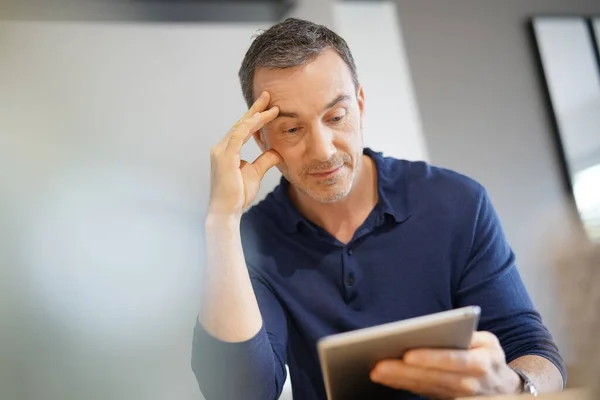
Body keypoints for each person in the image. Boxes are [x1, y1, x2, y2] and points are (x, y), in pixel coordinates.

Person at [191, 18, 565, 400]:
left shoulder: (457, 203)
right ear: (260, 137)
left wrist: (515, 386)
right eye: (291, 130)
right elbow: (240, 393)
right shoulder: (251, 242)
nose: (323, 150)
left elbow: (533, 348)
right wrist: (222, 220)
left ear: (361, 105)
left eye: (336, 117)